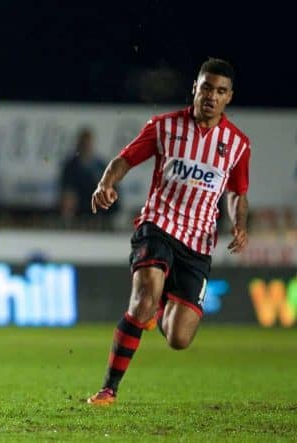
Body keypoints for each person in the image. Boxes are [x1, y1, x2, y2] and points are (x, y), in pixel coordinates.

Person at [87, 58, 250, 405]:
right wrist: (106, 184)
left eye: (220, 91)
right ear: (195, 87)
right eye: (206, 87)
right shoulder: (164, 127)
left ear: (229, 97)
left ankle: (159, 308)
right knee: (143, 299)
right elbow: (125, 159)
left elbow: (236, 192)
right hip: (158, 225)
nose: (211, 96)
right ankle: (109, 389)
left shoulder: (237, 144)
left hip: (198, 243)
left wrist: (239, 224)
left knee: (179, 338)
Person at [60, 128, 114, 228]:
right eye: (83, 144)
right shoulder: (70, 167)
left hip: (99, 208)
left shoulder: (101, 166)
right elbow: (67, 191)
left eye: (88, 144)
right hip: (79, 207)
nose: (86, 147)